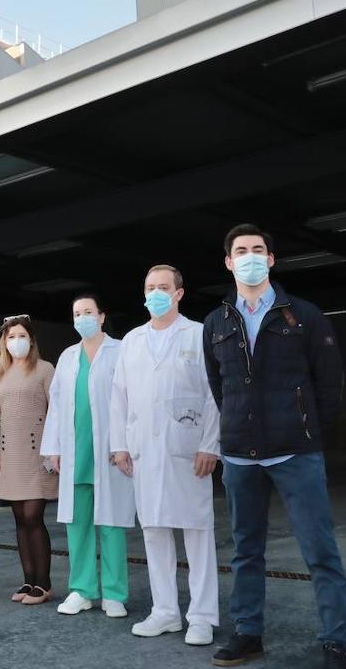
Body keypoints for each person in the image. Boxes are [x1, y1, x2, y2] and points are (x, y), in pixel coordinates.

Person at [203, 224, 346, 669]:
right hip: (239, 455)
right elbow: (219, 386)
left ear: (271, 259)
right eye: (240, 251)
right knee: (245, 549)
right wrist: (235, 426)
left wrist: (308, 432)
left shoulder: (304, 315)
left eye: (258, 249)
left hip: (295, 452)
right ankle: (248, 632)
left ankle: (337, 641)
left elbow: (329, 382)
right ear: (229, 263)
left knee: (319, 549)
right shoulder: (216, 322)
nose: (249, 256)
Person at [111, 265, 220, 647]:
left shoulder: (198, 334)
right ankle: (165, 611)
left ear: (178, 293)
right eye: (149, 287)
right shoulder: (132, 340)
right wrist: (119, 444)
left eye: (163, 287)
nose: (155, 293)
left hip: (188, 450)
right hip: (145, 452)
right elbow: (119, 396)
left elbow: (214, 394)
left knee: (197, 532)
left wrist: (210, 444)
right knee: (154, 531)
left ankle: (202, 616)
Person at [42, 294, 134, 620]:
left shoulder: (121, 351)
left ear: (102, 316)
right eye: (77, 313)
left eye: (88, 312)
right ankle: (81, 590)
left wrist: (126, 444)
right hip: (75, 453)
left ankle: (114, 593)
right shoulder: (67, 357)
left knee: (111, 524)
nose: (82, 317)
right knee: (77, 524)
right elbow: (55, 406)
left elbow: (130, 400)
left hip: (110, 453)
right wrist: (52, 448)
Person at [0, 315, 57, 605]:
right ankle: (28, 581)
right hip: (10, 454)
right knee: (18, 519)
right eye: (11, 336)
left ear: (31, 339)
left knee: (32, 517)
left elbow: (58, 410)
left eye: (22, 336)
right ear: (5, 341)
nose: (17, 341)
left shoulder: (45, 370)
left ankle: (44, 583)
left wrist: (55, 449)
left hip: (38, 454)